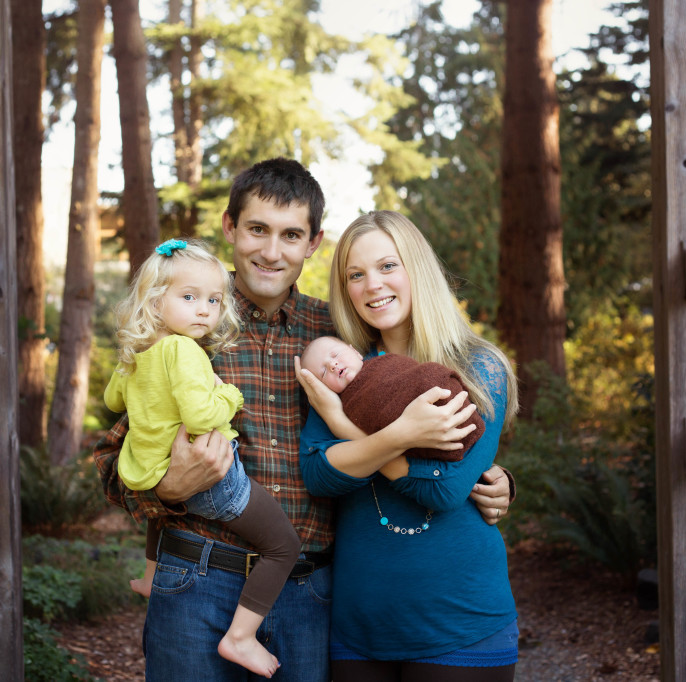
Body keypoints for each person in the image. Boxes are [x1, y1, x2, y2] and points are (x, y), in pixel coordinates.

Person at [93, 157, 514, 681]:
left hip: (308, 592)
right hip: (197, 578)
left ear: (312, 243)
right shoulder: (188, 313)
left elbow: (419, 403)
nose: (272, 251)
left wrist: (490, 477)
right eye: (257, 230)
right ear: (230, 228)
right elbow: (113, 458)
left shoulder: (338, 333)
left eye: (291, 234)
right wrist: (170, 487)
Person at [297, 210, 520, 681]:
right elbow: (319, 474)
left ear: (416, 267)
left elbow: (443, 491)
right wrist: (401, 435)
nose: (372, 285)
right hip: (358, 630)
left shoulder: (480, 369)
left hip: (460, 625)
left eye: (387, 266)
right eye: (355, 275)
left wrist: (347, 429)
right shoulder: (343, 370)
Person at [103, 238, 300, 677]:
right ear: (155, 302)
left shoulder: (139, 352)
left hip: (149, 467)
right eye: (189, 298)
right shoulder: (184, 351)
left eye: (213, 300)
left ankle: (152, 576)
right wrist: (227, 395)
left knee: (166, 511)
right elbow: (199, 413)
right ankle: (241, 637)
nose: (204, 311)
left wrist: (132, 368)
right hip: (216, 479)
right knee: (283, 545)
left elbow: (113, 399)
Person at [299, 335, 485, 460]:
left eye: (335, 354)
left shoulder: (384, 361)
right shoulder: (347, 407)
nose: (333, 364)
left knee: (429, 375)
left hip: (442, 397)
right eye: (323, 372)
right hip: (417, 438)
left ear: (355, 352)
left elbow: (410, 372)